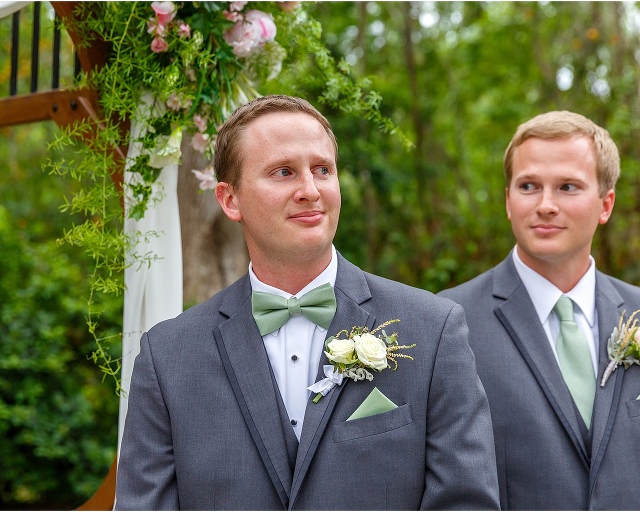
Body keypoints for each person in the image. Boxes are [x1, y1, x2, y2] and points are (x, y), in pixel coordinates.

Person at [114, 95, 500, 510]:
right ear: (230, 199)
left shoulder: (432, 329)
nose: (310, 190)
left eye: (323, 170)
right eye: (284, 172)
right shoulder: (168, 355)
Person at [440, 111, 640, 510]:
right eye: (529, 186)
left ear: (605, 205)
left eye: (568, 187)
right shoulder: (449, 323)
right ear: (507, 201)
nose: (546, 205)